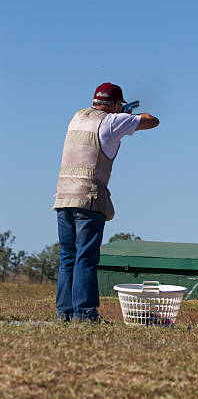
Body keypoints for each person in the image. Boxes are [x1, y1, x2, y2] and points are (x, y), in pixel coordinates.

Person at [53, 82, 159, 322]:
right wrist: (124, 114)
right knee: (86, 258)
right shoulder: (112, 121)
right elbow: (152, 120)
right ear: (115, 104)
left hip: (62, 196)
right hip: (88, 197)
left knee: (68, 256)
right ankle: (85, 313)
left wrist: (120, 111)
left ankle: (65, 314)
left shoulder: (77, 117)